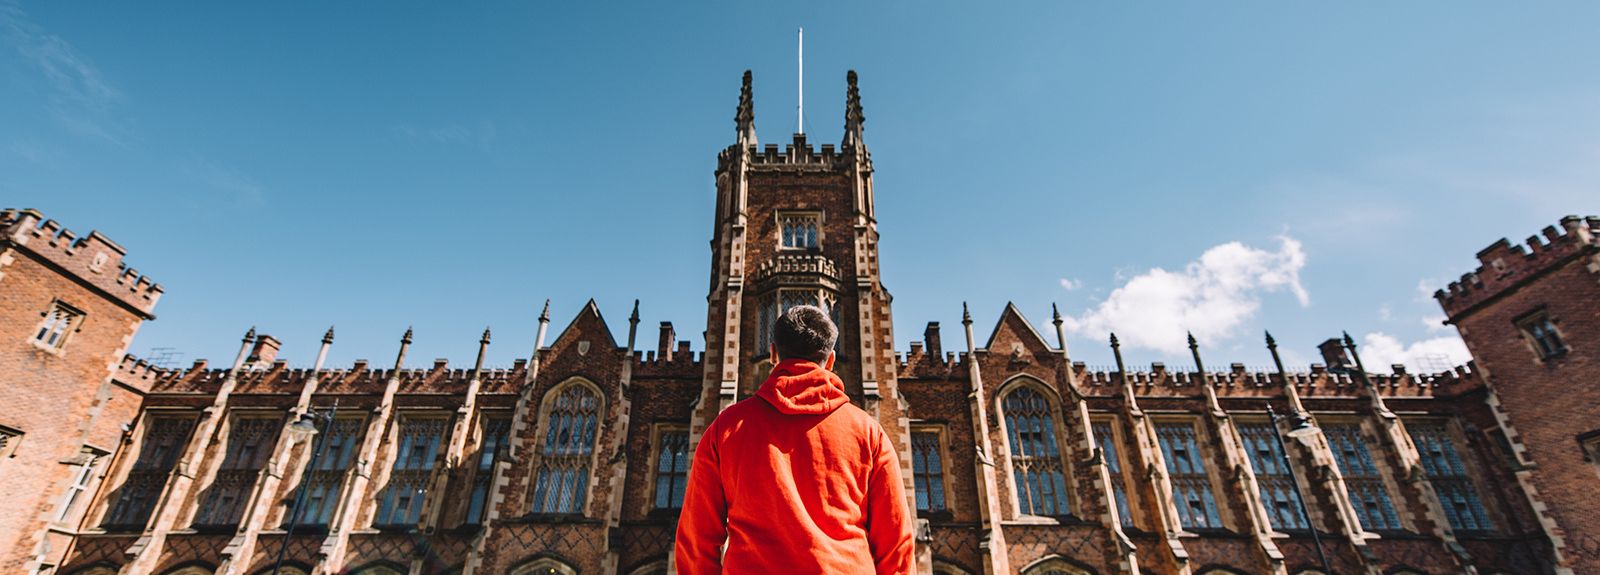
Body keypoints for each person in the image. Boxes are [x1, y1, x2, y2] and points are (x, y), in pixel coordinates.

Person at [675, 305, 914, 574]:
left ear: (774, 353)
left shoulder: (727, 428)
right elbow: (896, 546)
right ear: (831, 360)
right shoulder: (869, 433)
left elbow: (696, 541)